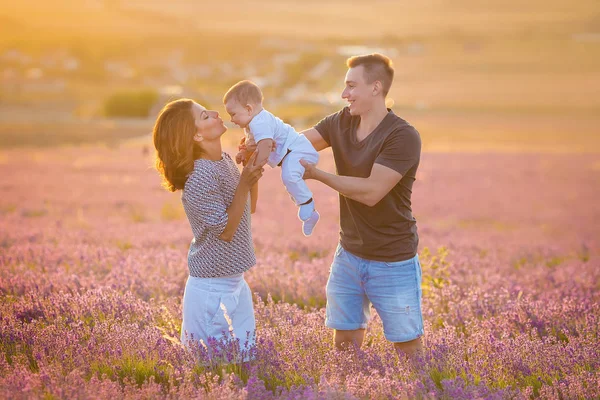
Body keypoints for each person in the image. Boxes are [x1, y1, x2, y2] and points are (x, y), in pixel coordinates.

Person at [300, 54, 424, 357]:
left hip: (393, 260)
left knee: (407, 348)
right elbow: (296, 144)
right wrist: (260, 142)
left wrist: (317, 174)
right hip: (349, 255)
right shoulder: (340, 121)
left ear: (375, 87)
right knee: (344, 343)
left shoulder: (402, 135)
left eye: (351, 86)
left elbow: (371, 192)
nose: (345, 95)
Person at [152, 98, 264, 360]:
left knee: (243, 365)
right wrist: (245, 183)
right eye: (205, 116)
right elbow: (225, 231)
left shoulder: (223, 161)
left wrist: (250, 168)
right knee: (214, 371)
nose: (215, 113)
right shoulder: (199, 176)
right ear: (196, 135)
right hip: (212, 291)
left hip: (235, 281)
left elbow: (250, 207)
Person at [223, 80, 321, 236]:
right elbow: (252, 145)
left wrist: (256, 165)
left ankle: (308, 209)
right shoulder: (251, 124)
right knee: (289, 180)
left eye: (233, 114)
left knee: (289, 176)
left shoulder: (259, 122)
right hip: (291, 153)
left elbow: (266, 145)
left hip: (297, 150)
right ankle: (306, 207)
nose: (231, 119)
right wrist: (244, 153)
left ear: (249, 109)